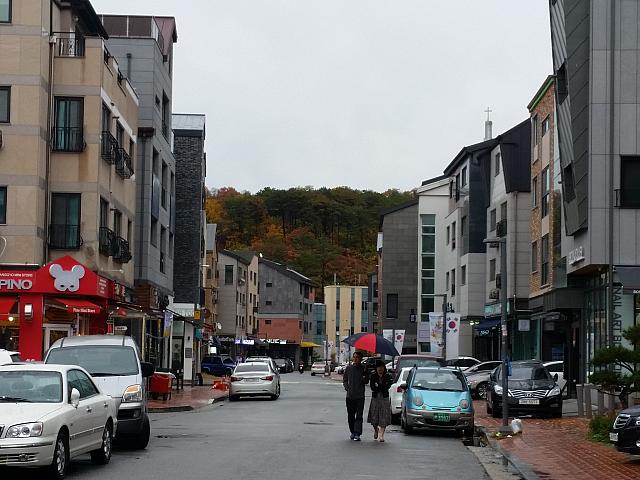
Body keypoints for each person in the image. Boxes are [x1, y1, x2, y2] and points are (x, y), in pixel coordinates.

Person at [343, 351, 368, 441]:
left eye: (357, 357)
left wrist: (365, 375)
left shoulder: (363, 369)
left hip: (360, 396)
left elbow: (366, 381)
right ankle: (352, 431)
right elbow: (345, 380)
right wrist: (347, 388)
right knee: (350, 415)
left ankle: (357, 433)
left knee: (359, 415)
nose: (355, 359)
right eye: (354, 357)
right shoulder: (349, 368)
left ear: (361, 359)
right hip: (350, 396)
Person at [367, 360, 393, 442]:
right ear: (376, 368)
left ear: (384, 368)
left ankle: (381, 435)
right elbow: (372, 387)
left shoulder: (387, 376)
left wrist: (379, 386)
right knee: (374, 416)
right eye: (378, 367)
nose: (380, 369)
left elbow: (387, 386)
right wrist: (380, 387)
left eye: (381, 367)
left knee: (383, 416)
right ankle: (376, 430)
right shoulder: (373, 376)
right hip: (375, 398)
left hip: (384, 398)